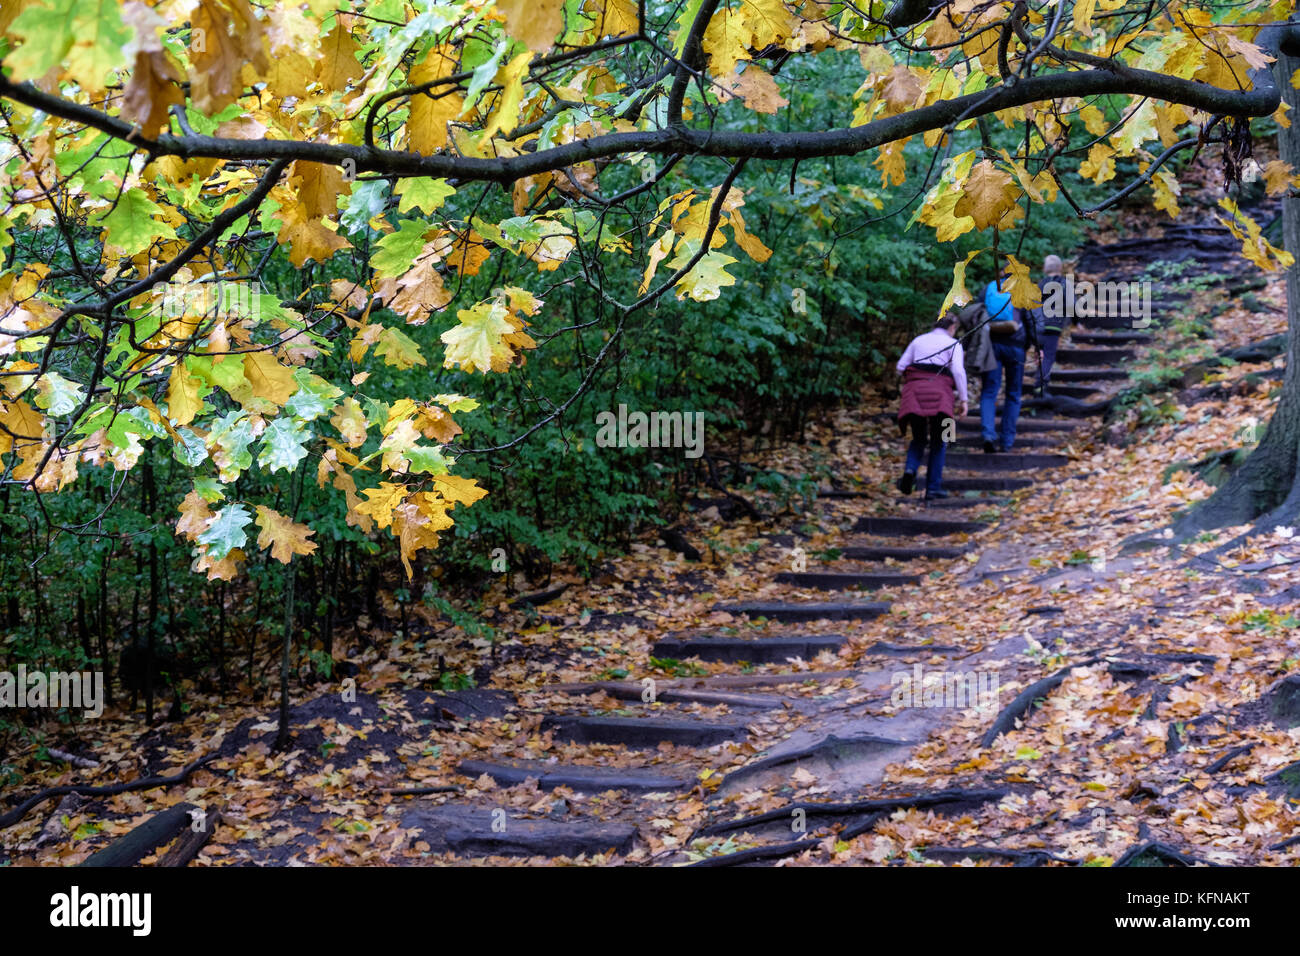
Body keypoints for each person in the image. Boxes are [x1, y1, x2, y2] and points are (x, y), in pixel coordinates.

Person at [895, 312, 968, 501]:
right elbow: (959, 372)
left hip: (914, 394)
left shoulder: (918, 341)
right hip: (941, 398)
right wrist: (964, 400)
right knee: (940, 441)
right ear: (952, 327)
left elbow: (900, 366)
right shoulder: (954, 344)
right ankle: (933, 488)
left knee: (918, 439)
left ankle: (910, 470)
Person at [980, 274, 1031, 453]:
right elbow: (1030, 319)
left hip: (992, 345)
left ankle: (988, 434)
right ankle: (1007, 441)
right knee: (1013, 394)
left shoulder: (989, 288)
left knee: (989, 391)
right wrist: (1029, 344)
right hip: (1016, 347)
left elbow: (979, 313)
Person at [1035, 254, 1069, 391]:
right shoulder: (1064, 283)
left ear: (1044, 269)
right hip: (1054, 324)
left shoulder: (1040, 284)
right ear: (1060, 268)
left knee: (1040, 354)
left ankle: (1039, 379)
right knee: (1048, 355)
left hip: (1039, 323)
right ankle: (1041, 385)